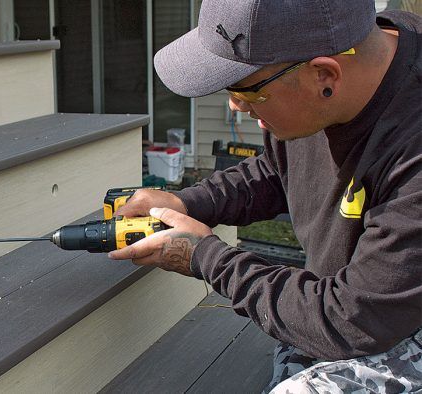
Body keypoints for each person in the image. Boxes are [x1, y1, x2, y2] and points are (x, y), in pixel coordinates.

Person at [109, 0, 422, 392]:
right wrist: (186, 202)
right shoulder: (331, 75)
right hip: (353, 306)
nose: (234, 105)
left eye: (247, 91)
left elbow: (351, 320)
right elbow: (277, 170)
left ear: (325, 75)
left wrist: (205, 256)